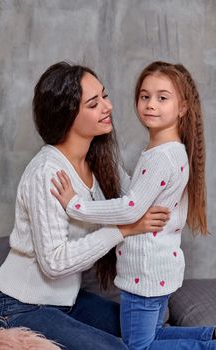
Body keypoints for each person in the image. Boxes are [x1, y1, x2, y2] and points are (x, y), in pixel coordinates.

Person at [0, 61, 170, 350]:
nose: (107, 107)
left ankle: (209, 338)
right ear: (67, 115)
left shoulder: (100, 163)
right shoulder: (46, 172)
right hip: (19, 308)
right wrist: (122, 229)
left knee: (142, 332)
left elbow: (142, 198)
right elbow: (55, 263)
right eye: (94, 103)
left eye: (105, 96)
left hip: (66, 302)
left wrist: (167, 145)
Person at [51, 61, 216, 350]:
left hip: (145, 275)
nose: (151, 104)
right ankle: (208, 336)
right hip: (157, 270)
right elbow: (138, 193)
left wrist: (76, 206)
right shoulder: (165, 151)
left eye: (162, 98)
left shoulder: (161, 157)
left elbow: (130, 208)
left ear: (183, 108)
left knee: (138, 347)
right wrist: (112, 164)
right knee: (151, 337)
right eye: (144, 96)